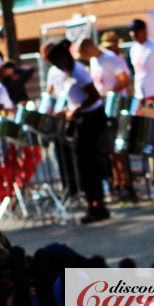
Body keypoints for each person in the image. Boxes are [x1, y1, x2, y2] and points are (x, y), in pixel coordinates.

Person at [43, 40, 109, 224]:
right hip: (82, 118)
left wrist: (77, 109)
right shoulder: (67, 72)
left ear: (64, 58)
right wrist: (67, 109)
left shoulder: (79, 71)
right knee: (86, 164)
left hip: (91, 118)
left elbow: (94, 96)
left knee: (88, 162)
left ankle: (96, 206)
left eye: (57, 62)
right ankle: (95, 204)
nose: (56, 67)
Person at [77, 37, 134, 202]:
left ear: (89, 48)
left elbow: (124, 81)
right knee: (110, 149)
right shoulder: (94, 61)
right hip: (103, 108)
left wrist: (107, 93)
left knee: (119, 147)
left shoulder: (110, 58)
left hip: (115, 106)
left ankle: (127, 184)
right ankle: (118, 183)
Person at [127, 19, 154, 106]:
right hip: (140, 94)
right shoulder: (133, 49)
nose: (133, 34)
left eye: (136, 31)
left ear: (144, 31)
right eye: (131, 31)